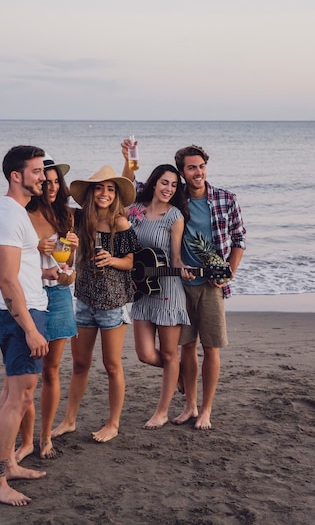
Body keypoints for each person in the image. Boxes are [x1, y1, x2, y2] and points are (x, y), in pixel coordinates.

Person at [121, 140, 246, 431]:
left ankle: (205, 410)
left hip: (211, 285)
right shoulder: (175, 199)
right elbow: (131, 187)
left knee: (211, 349)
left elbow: (239, 239)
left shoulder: (225, 199)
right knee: (186, 348)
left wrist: (229, 272)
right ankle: (189, 404)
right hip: (178, 283)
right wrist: (129, 158)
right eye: (192, 168)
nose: (198, 172)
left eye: (201, 166)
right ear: (182, 171)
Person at [0, 145, 59, 507]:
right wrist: (30, 328)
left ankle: (8, 463)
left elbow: (18, 270)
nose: (43, 177)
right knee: (21, 398)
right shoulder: (11, 216)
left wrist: (44, 272)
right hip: (20, 315)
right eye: (36, 171)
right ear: (17, 175)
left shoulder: (12, 212)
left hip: (20, 309)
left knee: (12, 394)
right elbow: (7, 280)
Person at [52, 166, 138, 442]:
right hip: (85, 299)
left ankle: (113, 424)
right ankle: (69, 420)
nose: (104, 193)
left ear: (116, 196)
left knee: (112, 365)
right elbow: (63, 259)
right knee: (79, 364)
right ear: (90, 192)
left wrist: (111, 260)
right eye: (99, 188)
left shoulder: (121, 223)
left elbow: (130, 263)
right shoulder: (77, 220)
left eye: (110, 189)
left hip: (112, 303)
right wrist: (68, 247)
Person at [15, 153, 79, 463]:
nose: (51, 186)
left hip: (59, 298)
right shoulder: (23, 216)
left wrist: (68, 271)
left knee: (52, 371)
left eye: (56, 182)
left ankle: (44, 438)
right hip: (30, 296)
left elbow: (69, 273)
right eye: (46, 180)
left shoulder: (66, 217)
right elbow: (14, 266)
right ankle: (26, 440)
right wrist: (35, 249)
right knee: (30, 375)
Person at [127, 164, 192, 429]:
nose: (169, 189)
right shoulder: (136, 211)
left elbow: (175, 257)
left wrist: (183, 269)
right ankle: (176, 374)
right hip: (142, 290)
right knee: (144, 354)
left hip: (168, 290)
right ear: (154, 183)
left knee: (168, 353)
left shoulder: (174, 215)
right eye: (164, 183)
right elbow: (122, 189)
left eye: (174, 185)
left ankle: (162, 412)